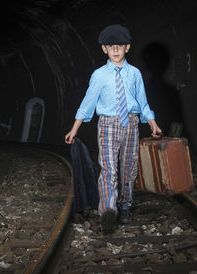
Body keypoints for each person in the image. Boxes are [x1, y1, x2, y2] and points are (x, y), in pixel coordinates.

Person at [64, 24, 162, 234]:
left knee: (129, 167)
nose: (115, 49)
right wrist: (75, 129)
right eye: (110, 46)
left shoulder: (134, 74)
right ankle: (108, 210)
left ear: (127, 47)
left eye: (119, 46)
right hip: (108, 124)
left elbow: (143, 102)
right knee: (109, 168)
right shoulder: (99, 76)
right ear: (104, 50)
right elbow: (87, 103)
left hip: (132, 123)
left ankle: (125, 205)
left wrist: (152, 123)